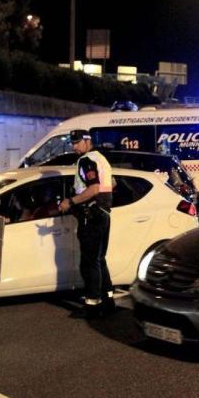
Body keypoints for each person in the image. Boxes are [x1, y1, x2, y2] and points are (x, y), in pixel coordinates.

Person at [59, 130, 115, 317]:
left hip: (91, 214)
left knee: (89, 262)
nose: (74, 147)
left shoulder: (86, 161)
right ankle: (108, 299)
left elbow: (94, 188)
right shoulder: (101, 158)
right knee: (99, 259)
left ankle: (92, 305)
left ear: (87, 141)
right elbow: (112, 183)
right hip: (104, 213)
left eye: (77, 143)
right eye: (72, 143)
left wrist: (71, 201)